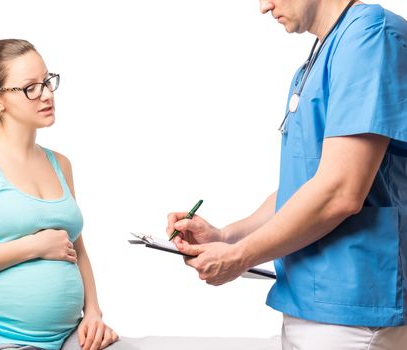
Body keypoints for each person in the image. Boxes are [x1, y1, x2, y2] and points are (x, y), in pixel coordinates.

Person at [166, 1, 407, 349]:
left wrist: (240, 257)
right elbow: (304, 187)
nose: (265, 6)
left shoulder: (369, 37)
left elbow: (339, 191)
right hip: (310, 303)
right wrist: (227, 236)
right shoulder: (321, 56)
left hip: (354, 313)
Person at [0, 39, 119, 350]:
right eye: (31, 87)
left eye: (47, 81)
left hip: (68, 337)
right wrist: (32, 246)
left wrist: (93, 313)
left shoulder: (61, 164)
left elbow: (76, 248)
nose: (47, 94)